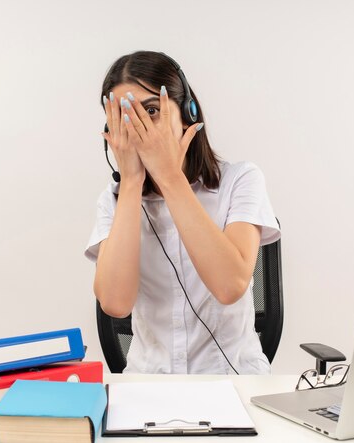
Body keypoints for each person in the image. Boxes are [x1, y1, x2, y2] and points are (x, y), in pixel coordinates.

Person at [85, 51, 280, 374]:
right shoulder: (114, 201)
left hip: (233, 379)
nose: (139, 128)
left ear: (187, 113)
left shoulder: (241, 180)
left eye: (150, 111)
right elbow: (115, 304)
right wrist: (132, 182)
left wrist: (170, 178)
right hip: (148, 383)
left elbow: (230, 285)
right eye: (124, 118)